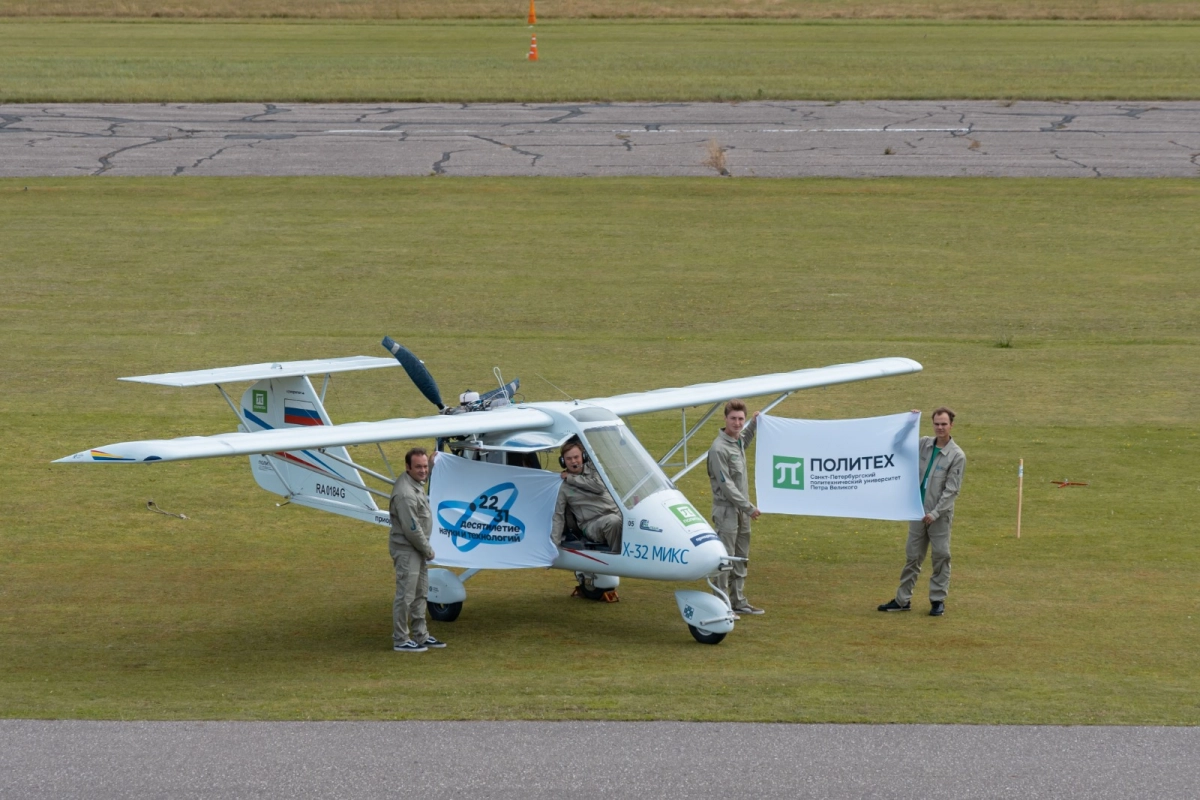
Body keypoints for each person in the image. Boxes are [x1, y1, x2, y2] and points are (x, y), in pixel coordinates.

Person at [878, 407, 967, 617]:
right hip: (917, 512)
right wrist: (909, 423)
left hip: (939, 516)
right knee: (912, 557)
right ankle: (902, 600)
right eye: (937, 423)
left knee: (941, 556)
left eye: (944, 424)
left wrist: (935, 514)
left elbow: (952, 490)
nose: (940, 427)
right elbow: (898, 446)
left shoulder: (957, 455)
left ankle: (937, 600)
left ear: (951, 425)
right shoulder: (924, 444)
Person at [707, 400, 763, 616]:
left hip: (742, 512)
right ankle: (720, 605)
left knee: (741, 555)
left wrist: (754, 425)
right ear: (725, 419)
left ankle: (738, 601)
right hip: (727, 512)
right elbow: (727, 486)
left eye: (741, 419)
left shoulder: (736, 441)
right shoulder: (718, 449)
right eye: (734, 419)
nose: (738, 423)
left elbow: (744, 441)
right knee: (726, 558)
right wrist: (749, 507)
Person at [389, 447, 447, 652]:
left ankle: (421, 634)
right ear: (407, 467)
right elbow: (412, 529)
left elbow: (424, 475)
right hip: (408, 549)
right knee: (406, 595)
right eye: (419, 467)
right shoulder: (405, 495)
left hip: (417, 549)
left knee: (421, 592)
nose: (424, 471)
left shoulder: (415, 482)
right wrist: (428, 550)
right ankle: (401, 638)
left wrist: (431, 464)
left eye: (425, 466)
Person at [550, 438, 623, 553]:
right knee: (613, 521)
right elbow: (558, 517)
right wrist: (553, 547)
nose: (573, 461)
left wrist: (572, 478)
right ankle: (618, 560)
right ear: (563, 461)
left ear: (583, 457)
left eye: (576, 457)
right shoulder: (563, 487)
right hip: (591, 525)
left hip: (616, 513)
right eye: (569, 459)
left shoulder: (595, 469)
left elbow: (599, 486)